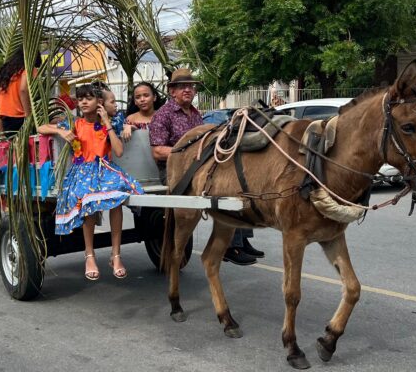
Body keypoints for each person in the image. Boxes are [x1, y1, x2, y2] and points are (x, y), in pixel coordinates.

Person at [150, 68, 263, 266]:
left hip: (200, 168)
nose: (188, 90)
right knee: (222, 190)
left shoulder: (195, 114)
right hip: (175, 172)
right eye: (182, 86)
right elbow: (158, 151)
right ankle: (230, 246)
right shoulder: (163, 115)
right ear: (172, 91)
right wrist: (189, 154)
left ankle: (242, 240)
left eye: (191, 86)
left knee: (237, 182)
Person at [38, 84, 144, 281]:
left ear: (99, 102)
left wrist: (108, 122)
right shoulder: (75, 124)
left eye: (88, 98)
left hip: (105, 169)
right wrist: (61, 132)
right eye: (80, 99)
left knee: (118, 197)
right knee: (88, 200)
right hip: (82, 171)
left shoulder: (109, 123)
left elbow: (119, 152)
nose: (83, 102)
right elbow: (40, 127)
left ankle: (116, 255)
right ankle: (89, 256)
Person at [0, 54, 33, 134]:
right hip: (20, 119)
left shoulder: (6, 75)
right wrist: (29, 117)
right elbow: (23, 90)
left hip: (6, 120)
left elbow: (0, 102)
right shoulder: (28, 70)